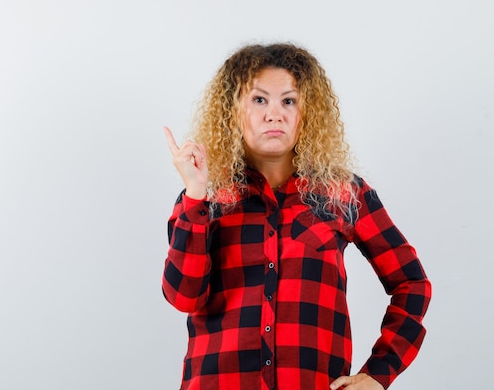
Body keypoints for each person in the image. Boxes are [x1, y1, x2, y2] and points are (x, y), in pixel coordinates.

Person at [162, 43, 431, 390]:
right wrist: (196, 193)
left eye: (288, 101)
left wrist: (379, 374)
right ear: (233, 110)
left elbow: (411, 284)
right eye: (259, 100)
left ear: (308, 112)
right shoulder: (205, 200)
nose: (275, 114)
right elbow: (184, 297)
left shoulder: (344, 194)